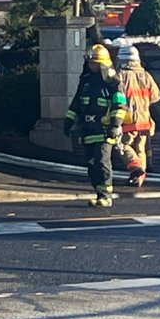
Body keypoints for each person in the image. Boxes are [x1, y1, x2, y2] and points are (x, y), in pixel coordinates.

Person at [64, 44, 127, 206]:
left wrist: (115, 124)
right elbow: (77, 102)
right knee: (91, 163)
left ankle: (106, 195)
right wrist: (69, 120)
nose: (92, 66)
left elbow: (120, 105)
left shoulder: (112, 82)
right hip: (88, 129)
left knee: (102, 161)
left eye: (96, 63)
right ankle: (99, 192)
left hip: (105, 129)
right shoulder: (85, 81)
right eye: (91, 63)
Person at [116, 44, 160, 188]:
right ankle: (139, 179)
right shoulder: (146, 76)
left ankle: (135, 167)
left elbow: (116, 98)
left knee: (122, 145)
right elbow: (156, 96)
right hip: (145, 120)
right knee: (140, 149)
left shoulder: (120, 77)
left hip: (128, 120)